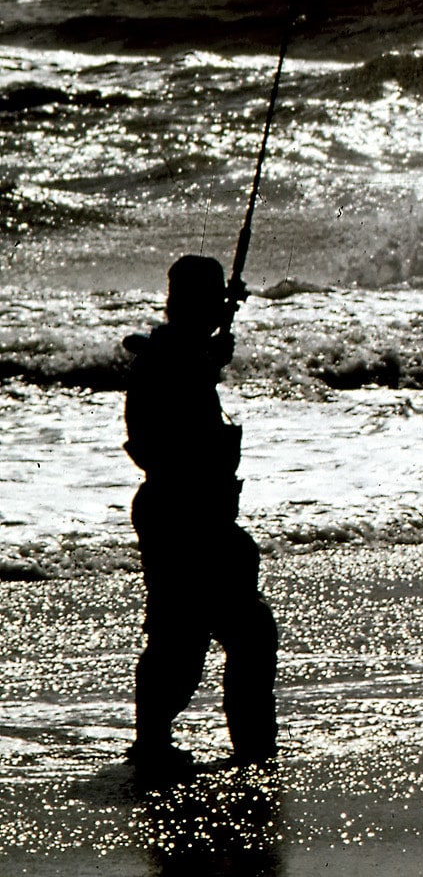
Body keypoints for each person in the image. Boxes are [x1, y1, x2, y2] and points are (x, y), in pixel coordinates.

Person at [122, 254, 278, 772]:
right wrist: (205, 360)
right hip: (182, 517)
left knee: (218, 633)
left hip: (193, 516)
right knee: (189, 639)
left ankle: (240, 744)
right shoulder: (170, 360)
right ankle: (173, 744)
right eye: (212, 299)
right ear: (189, 303)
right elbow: (159, 437)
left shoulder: (181, 355)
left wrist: (207, 356)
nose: (220, 308)